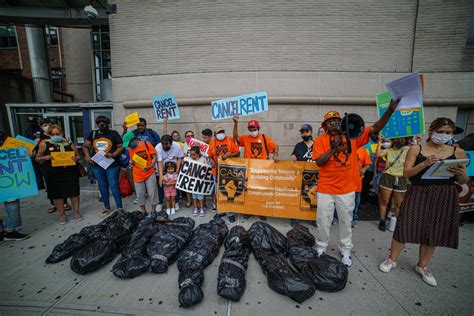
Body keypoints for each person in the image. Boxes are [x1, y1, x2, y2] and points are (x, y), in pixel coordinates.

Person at [379, 118, 468, 287]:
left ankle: (423, 265)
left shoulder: (457, 152)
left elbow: (463, 180)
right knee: (405, 225)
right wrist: (425, 163)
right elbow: (406, 173)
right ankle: (392, 259)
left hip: (444, 194)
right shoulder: (416, 149)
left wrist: (459, 173)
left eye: (448, 133)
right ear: (431, 131)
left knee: (434, 230)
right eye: (441, 131)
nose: (444, 135)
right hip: (419, 191)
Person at [312, 99, 399, 267]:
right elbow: (319, 162)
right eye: (330, 122)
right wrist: (333, 148)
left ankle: (345, 250)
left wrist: (389, 111)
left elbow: (375, 128)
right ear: (325, 126)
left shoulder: (352, 137)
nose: (334, 124)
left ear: (342, 122)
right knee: (323, 220)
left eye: (337, 120)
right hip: (326, 188)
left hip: (346, 189)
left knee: (346, 222)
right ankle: (321, 246)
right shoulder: (321, 140)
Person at [233, 116, 279, 220]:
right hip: (249, 169)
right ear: (249, 129)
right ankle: (249, 210)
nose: (253, 131)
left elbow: (275, 146)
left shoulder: (264, 137)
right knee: (248, 191)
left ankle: (261, 211)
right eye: (251, 129)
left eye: (254, 129)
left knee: (261, 191)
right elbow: (236, 138)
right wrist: (236, 123)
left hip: (262, 169)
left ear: (258, 128)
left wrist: (275, 154)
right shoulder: (246, 138)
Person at [36, 125, 82, 224]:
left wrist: (76, 158)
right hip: (53, 174)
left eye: (57, 134)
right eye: (53, 134)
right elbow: (37, 158)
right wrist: (45, 158)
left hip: (70, 172)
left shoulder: (68, 143)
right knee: (57, 195)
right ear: (49, 134)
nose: (55, 136)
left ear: (61, 133)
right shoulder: (44, 144)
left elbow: (78, 156)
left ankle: (76, 212)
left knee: (74, 193)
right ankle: (62, 214)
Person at [83, 116, 124, 218]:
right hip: (98, 164)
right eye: (100, 124)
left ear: (108, 124)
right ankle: (106, 207)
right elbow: (85, 146)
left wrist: (113, 154)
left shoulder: (113, 133)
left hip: (112, 164)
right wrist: (87, 157)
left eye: (105, 124)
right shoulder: (93, 134)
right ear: (98, 124)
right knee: (102, 186)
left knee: (114, 185)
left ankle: (119, 208)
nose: (103, 125)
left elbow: (120, 147)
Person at [0, 132, 30, 241]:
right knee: (12, 206)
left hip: (8, 182)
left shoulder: (9, 147)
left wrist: (27, 154)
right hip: (7, 181)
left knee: (13, 206)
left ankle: (11, 230)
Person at [376, 137, 410, 231]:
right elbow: (378, 154)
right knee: (384, 201)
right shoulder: (388, 150)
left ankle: (398, 223)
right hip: (388, 177)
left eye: (402, 138)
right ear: (393, 140)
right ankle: (382, 220)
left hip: (401, 178)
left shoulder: (407, 149)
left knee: (399, 204)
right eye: (397, 139)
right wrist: (380, 142)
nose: (399, 140)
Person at [208, 125, 240, 222]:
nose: (221, 134)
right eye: (218, 132)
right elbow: (209, 155)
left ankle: (230, 213)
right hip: (216, 171)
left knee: (229, 191)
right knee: (219, 192)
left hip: (229, 171)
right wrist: (211, 161)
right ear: (215, 134)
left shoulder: (230, 139)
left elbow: (237, 153)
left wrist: (229, 154)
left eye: (222, 131)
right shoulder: (212, 142)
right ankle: (222, 210)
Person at [290, 124, 317, 227]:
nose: (304, 134)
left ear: (311, 132)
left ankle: (313, 218)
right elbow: (293, 155)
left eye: (306, 131)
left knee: (313, 198)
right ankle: (295, 218)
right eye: (302, 132)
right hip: (301, 176)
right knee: (298, 198)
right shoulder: (298, 146)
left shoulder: (317, 144)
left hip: (314, 177)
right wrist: (293, 156)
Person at [128, 136, 158, 215]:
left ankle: (153, 210)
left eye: (129, 144)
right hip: (137, 174)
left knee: (152, 192)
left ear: (134, 140)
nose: (128, 146)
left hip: (149, 172)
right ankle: (143, 211)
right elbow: (132, 160)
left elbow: (154, 157)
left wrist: (150, 166)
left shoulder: (146, 144)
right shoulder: (131, 148)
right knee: (140, 194)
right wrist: (131, 162)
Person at [155, 134, 184, 210]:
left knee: (175, 185)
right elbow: (159, 162)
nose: (164, 147)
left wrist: (177, 171)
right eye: (163, 145)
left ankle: (176, 202)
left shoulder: (177, 146)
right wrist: (161, 176)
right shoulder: (158, 147)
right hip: (162, 168)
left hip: (173, 169)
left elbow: (179, 158)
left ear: (171, 143)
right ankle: (160, 202)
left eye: (167, 145)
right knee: (161, 185)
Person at [189, 146, 208, 217]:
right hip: (192, 182)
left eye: (194, 155)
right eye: (191, 155)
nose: (192, 156)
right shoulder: (189, 159)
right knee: (194, 197)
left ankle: (202, 208)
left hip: (200, 183)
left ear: (198, 154)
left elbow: (206, 169)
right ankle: (196, 208)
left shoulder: (203, 160)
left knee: (200, 197)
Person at [182, 130, 195, 207]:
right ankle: (189, 201)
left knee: (195, 185)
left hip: (196, 168)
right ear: (185, 137)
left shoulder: (198, 145)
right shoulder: (183, 146)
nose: (190, 137)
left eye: (192, 136)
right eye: (188, 136)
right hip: (186, 168)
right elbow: (180, 157)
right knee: (188, 186)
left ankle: (196, 201)